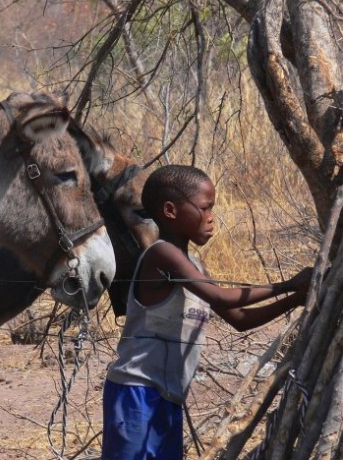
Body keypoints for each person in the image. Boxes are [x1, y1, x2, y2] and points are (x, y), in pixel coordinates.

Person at [101, 164, 313, 460]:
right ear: (171, 211)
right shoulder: (161, 255)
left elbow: (238, 319)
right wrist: (287, 285)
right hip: (137, 392)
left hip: (168, 397)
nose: (212, 217)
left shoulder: (195, 266)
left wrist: (295, 299)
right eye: (205, 207)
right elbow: (222, 298)